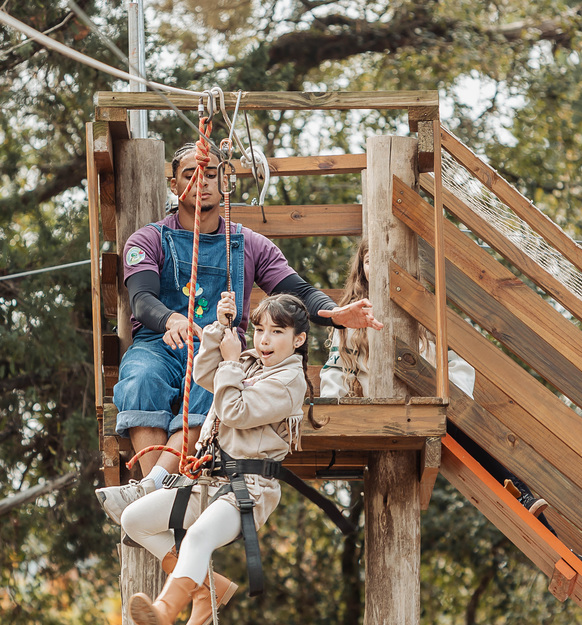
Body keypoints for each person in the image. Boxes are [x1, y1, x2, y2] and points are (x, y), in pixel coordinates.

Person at [96, 142, 382, 524]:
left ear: (225, 181)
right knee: (140, 376)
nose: (202, 182)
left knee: (210, 387)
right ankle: (160, 489)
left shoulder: (249, 244)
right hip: (158, 344)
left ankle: (148, 495)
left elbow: (298, 291)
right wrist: (172, 321)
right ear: (174, 182)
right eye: (190, 175)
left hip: (219, 350)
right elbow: (143, 299)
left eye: (211, 174)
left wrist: (334, 314)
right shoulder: (148, 240)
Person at [120, 291, 311, 625]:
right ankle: (207, 586)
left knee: (197, 539)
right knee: (134, 519)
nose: (264, 340)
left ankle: (163, 614)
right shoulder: (252, 364)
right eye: (259, 330)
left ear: (298, 340)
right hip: (210, 480)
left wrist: (231, 361)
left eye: (276, 332)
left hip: (249, 490)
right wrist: (217, 332)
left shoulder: (289, 382)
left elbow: (235, 409)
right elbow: (207, 375)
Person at [320, 239, 554, 523]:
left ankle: (527, 501)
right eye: (370, 261)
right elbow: (334, 368)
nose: (378, 268)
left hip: (426, 404)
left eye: (386, 260)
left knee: (475, 441)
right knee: (465, 443)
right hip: (378, 409)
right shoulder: (351, 318)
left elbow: (458, 361)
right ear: (361, 269)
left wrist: (450, 400)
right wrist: (330, 412)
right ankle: (526, 500)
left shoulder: (426, 309)